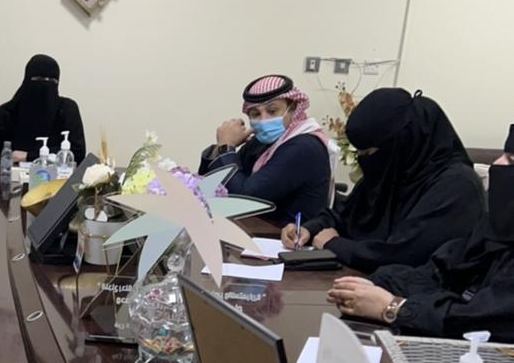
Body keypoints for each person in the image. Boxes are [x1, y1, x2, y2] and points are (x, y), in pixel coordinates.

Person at [327, 132, 514, 338]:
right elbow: (438, 271)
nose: (497, 164)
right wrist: (375, 285)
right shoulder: (498, 223)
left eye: (511, 160)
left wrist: (394, 308)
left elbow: (485, 319)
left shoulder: (456, 183)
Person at [282, 88, 485, 273]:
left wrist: (334, 244)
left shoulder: (457, 186)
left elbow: (406, 255)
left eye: (369, 152)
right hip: (358, 282)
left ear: (402, 144)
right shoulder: (394, 172)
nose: (364, 160)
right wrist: (309, 229)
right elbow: (345, 215)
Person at [199, 74, 333, 226]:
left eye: (272, 111)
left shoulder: (303, 147)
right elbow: (210, 187)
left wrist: (226, 148)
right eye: (255, 114)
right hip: (251, 228)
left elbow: (243, 200)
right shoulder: (261, 141)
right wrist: (221, 149)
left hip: (284, 236)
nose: (264, 120)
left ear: (293, 108)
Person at [0, 54, 86, 164]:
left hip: (57, 181)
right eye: (38, 79)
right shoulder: (7, 114)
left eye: (52, 80)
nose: (45, 85)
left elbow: (77, 153)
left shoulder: (66, 110)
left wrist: (29, 156)